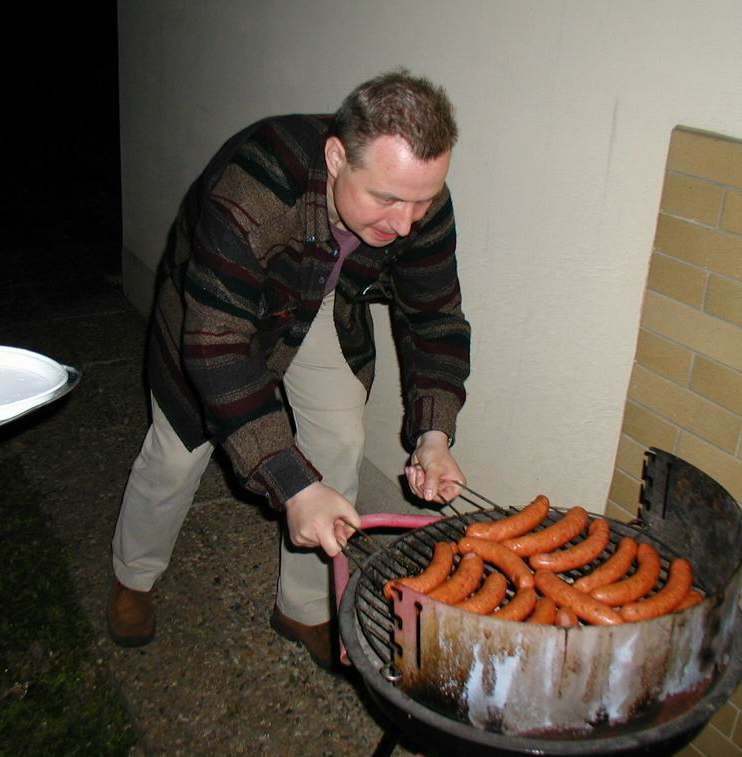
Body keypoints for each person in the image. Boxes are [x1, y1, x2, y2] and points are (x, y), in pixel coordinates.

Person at [107, 70, 471, 669]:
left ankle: (304, 606)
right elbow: (217, 345)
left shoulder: (416, 199)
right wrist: (291, 483)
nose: (406, 224)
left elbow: (434, 316)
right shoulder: (254, 187)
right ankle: (134, 574)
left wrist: (435, 435)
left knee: (340, 436)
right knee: (176, 453)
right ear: (336, 158)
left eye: (423, 200)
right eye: (386, 199)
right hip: (216, 305)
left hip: (318, 298)